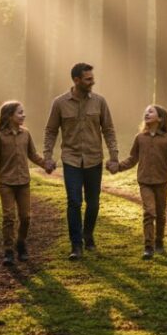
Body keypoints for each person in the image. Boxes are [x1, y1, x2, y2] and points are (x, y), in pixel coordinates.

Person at [43, 63, 120, 260]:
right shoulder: (59, 103)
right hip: (71, 159)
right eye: (88, 79)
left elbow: (109, 130)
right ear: (76, 80)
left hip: (94, 159)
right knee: (74, 202)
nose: (92, 81)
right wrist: (48, 156)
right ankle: (76, 244)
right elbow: (51, 131)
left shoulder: (100, 102)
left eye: (92, 77)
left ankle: (88, 234)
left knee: (93, 203)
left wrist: (114, 155)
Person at [118, 104, 167, 259]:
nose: (147, 113)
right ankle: (148, 247)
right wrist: (119, 167)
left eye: (151, 111)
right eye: (146, 111)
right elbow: (132, 158)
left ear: (160, 118)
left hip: (162, 181)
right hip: (145, 181)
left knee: (161, 213)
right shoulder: (140, 138)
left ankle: (159, 241)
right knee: (149, 212)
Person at [0, 101, 47, 266]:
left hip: (23, 182)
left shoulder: (26, 134)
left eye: (23, 112)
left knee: (25, 217)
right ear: (9, 116)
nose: (23, 115)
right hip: (6, 183)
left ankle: (21, 242)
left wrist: (46, 164)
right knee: (8, 217)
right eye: (20, 113)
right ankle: (8, 251)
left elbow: (33, 155)